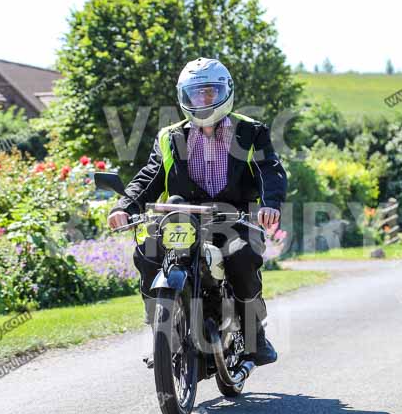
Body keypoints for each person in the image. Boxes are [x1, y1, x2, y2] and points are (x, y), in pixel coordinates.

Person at [107, 57, 285, 368]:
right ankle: (165, 334)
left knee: (242, 258)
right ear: (183, 96)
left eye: (210, 93)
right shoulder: (170, 136)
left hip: (233, 218)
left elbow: (270, 169)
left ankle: (254, 334)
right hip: (182, 217)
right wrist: (124, 206)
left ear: (225, 92)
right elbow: (149, 177)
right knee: (147, 252)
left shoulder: (251, 131)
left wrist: (270, 203)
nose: (203, 100)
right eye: (196, 93)